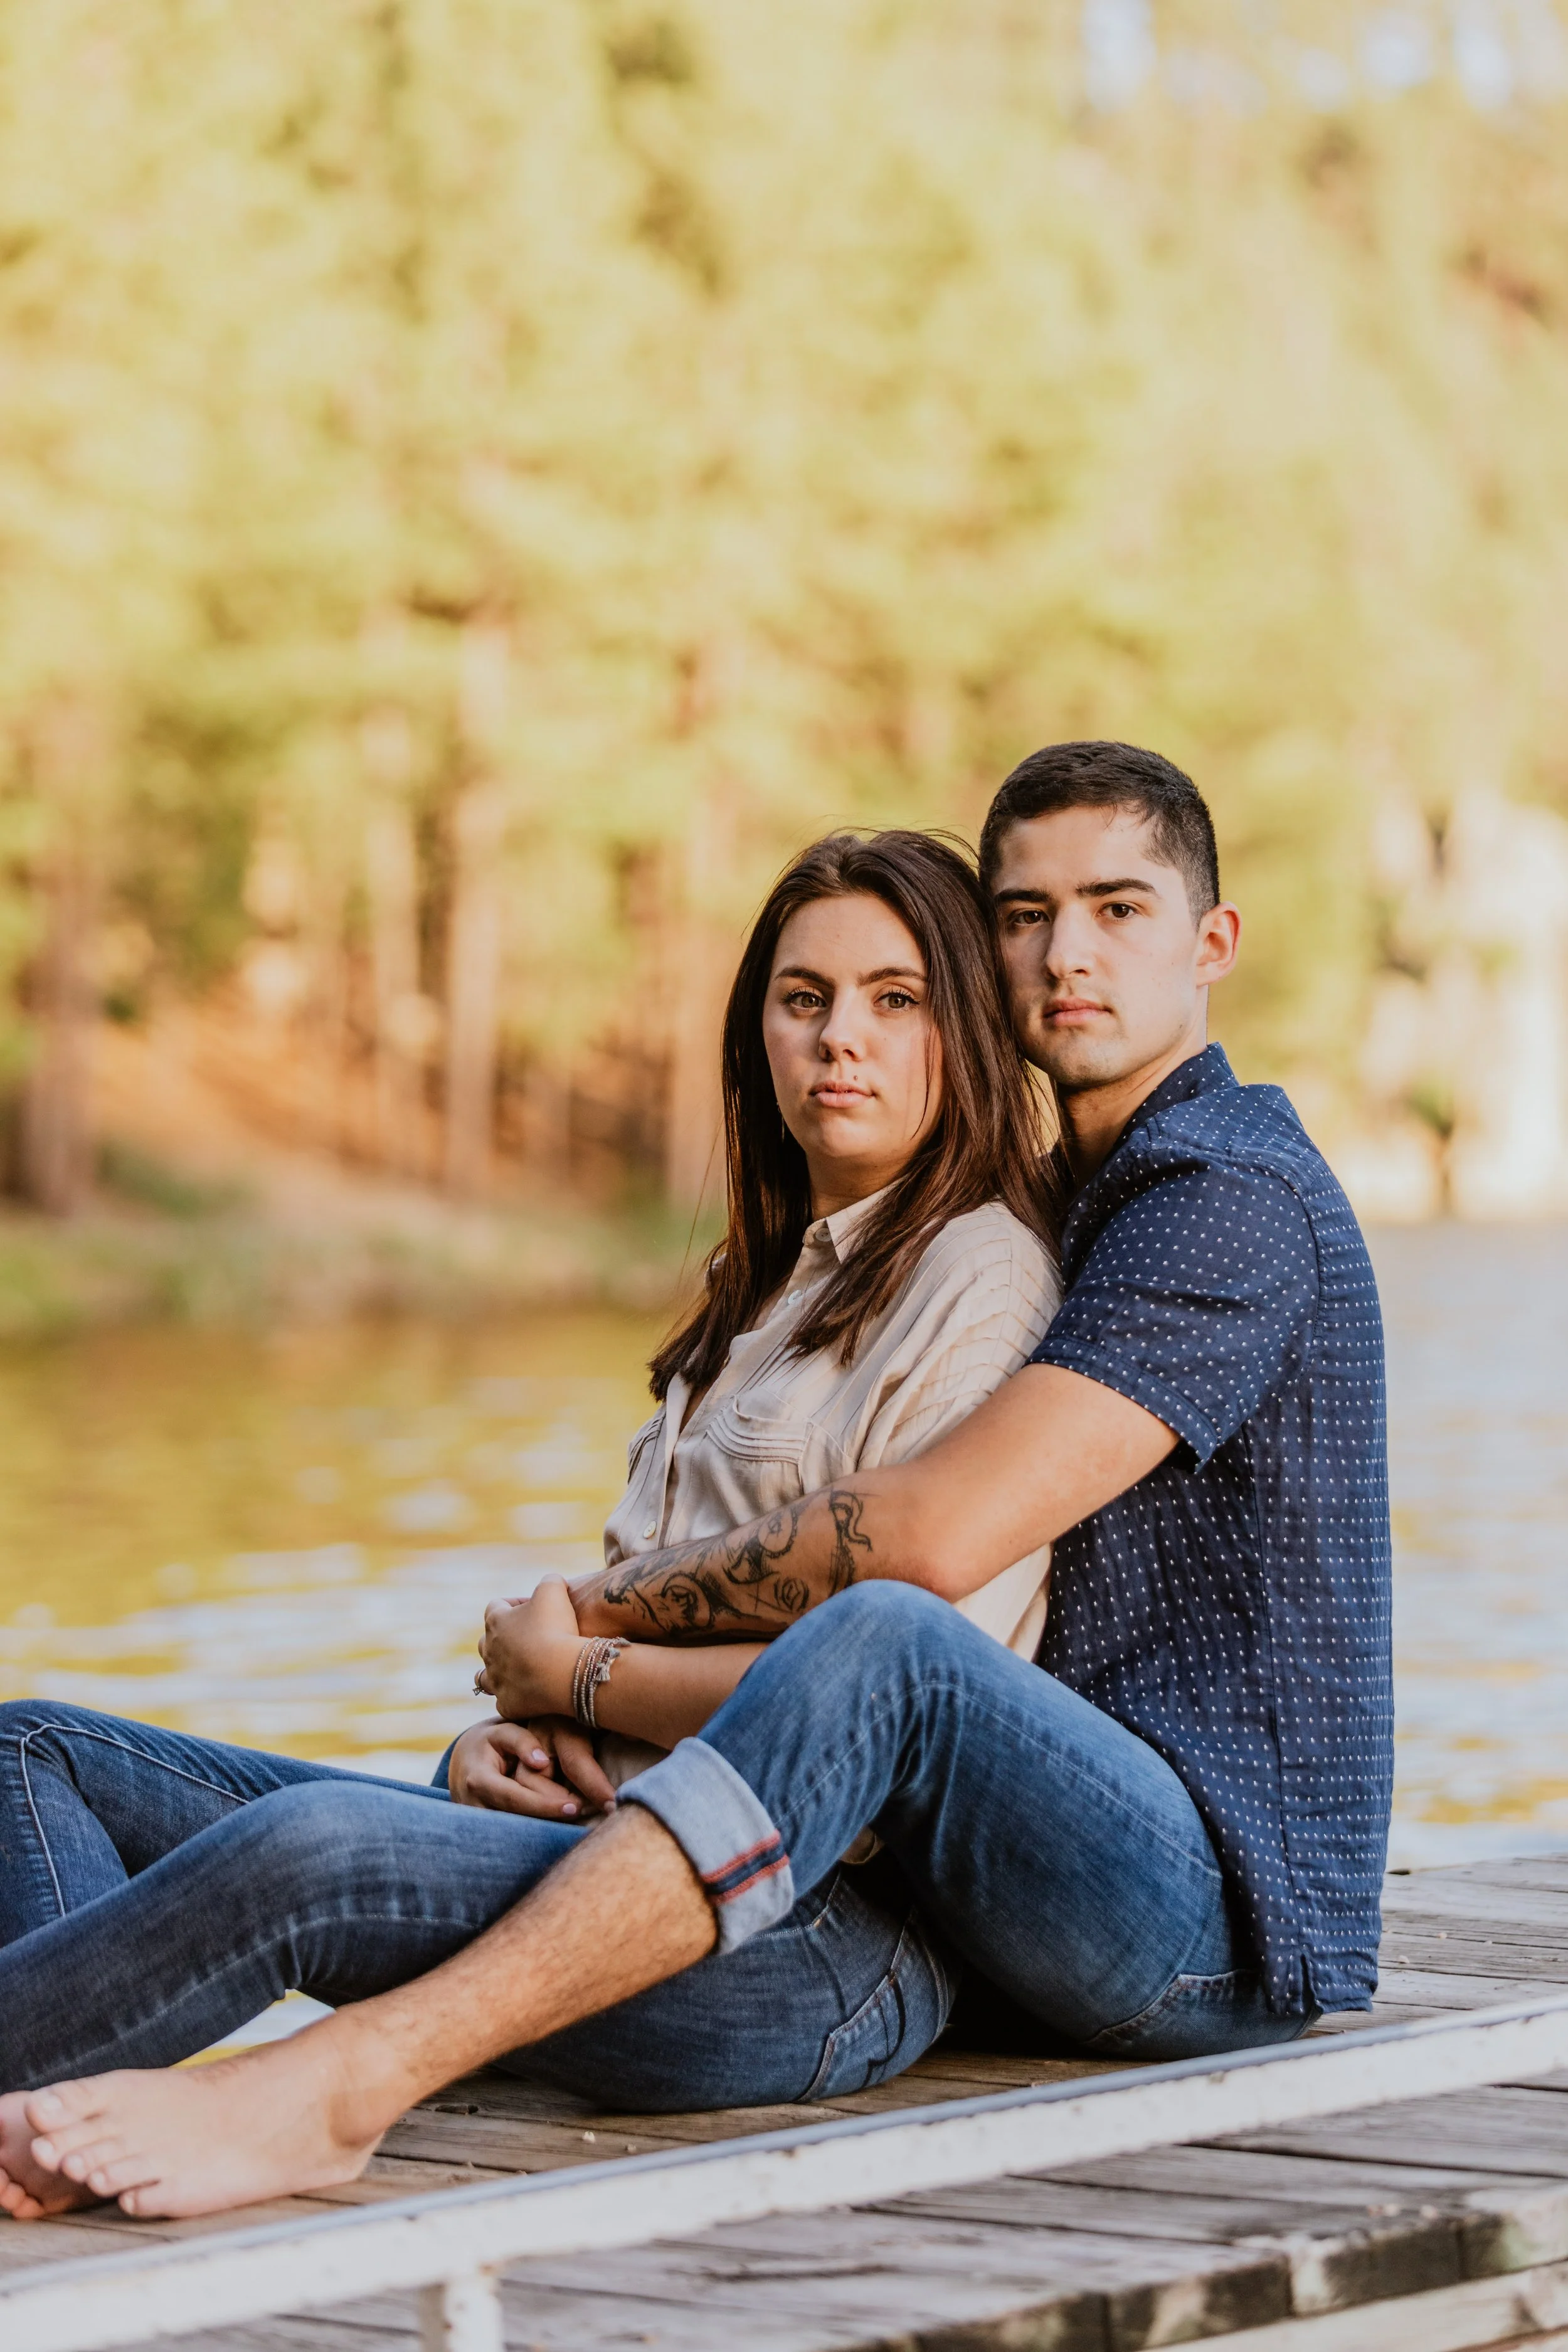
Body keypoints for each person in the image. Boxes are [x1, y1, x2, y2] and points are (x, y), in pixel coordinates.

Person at [0, 741, 1392, 2225]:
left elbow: (922, 1549)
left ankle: (337, 2081)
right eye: (1024, 915)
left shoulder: (1205, 1201)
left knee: (873, 1642)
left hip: (1199, 1912)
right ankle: (61, 2112)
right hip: (959, 1875)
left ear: (1211, 944)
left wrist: (582, 1661)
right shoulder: (1020, 1221)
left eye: (1118, 909)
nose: (1065, 956)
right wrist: (540, 1723)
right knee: (38, 1751)